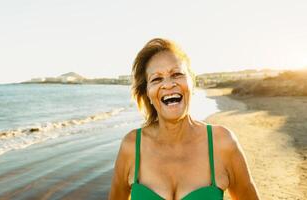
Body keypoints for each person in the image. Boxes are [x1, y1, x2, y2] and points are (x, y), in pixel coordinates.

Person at [108, 38, 260, 200]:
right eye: (156, 79)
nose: (168, 84)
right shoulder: (131, 147)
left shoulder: (222, 143)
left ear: (191, 84)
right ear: (148, 94)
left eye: (177, 74)